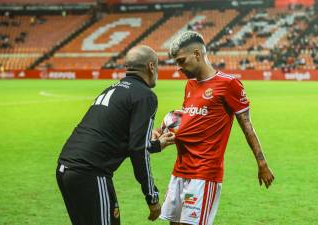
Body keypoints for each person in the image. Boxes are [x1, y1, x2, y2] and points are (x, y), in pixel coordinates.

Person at [157, 31, 275, 225]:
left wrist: (261, 163)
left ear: (197, 54)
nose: (179, 67)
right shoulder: (189, 85)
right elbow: (188, 120)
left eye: (181, 61)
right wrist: (164, 132)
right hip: (180, 170)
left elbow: (247, 125)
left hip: (204, 173)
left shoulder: (229, 84)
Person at [56, 45, 175, 225]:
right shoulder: (145, 96)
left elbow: (122, 140)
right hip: (90, 173)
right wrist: (152, 196)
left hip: (66, 169)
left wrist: (156, 145)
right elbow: (137, 150)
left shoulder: (113, 88)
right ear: (151, 66)